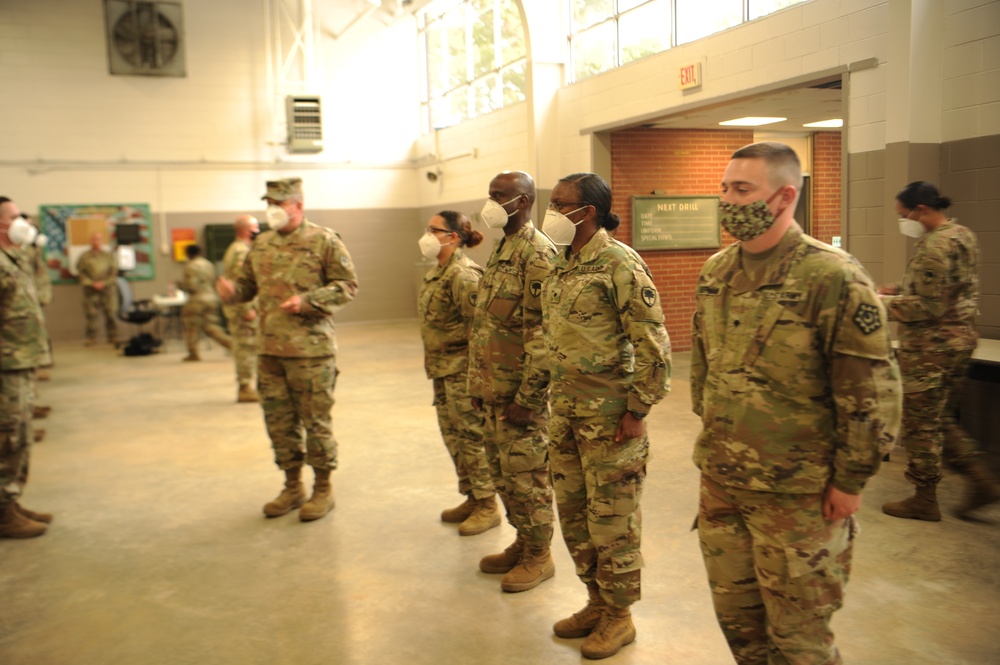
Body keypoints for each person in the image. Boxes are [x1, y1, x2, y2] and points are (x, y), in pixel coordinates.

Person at [690, 142, 902, 664]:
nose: (727, 200)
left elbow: (871, 394)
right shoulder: (717, 272)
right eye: (724, 188)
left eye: (742, 189)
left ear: (785, 196)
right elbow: (704, 367)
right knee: (741, 628)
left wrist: (850, 481)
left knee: (800, 641)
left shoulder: (832, 277)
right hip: (723, 486)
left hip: (798, 498)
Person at [541, 173, 671, 659]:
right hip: (566, 414)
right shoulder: (562, 263)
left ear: (587, 211)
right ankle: (595, 601)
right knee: (574, 516)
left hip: (611, 418)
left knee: (612, 521)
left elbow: (653, 344)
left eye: (559, 203)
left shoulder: (618, 262)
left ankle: (620, 616)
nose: (550, 211)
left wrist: (638, 409)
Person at [217, 177, 358, 523]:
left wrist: (309, 301)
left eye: (279, 203)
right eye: (270, 203)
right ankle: (292, 485)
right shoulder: (261, 244)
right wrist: (231, 293)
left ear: (298, 205)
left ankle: (323, 488)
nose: (272, 210)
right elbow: (247, 287)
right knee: (279, 423)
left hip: (310, 351)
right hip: (269, 350)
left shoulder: (323, 240)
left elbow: (347, 285)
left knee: (316, 422)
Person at [879, 181, 1000, 521]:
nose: (904, 222)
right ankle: (980, 481)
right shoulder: (963, 234)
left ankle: (924, 498)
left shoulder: (933, 245)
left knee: (921, 424)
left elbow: (927, 307)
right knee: (940, 419)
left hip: (932, 348)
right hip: (960, 342)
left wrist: (879, 305)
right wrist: (900, 288)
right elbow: (949, 285)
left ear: (920, 210)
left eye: (904, 215)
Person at [468, 170, 557, 592]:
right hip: (492, 392)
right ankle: (523, 541)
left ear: (522, 202)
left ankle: (540, 555)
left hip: (520, 397)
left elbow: (543, 334)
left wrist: (530, 396)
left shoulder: (538, 254)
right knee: (503, 475)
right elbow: (487, 327)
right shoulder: (504, 249)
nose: (490, 203)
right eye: (489, 194)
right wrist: (475, 387)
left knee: (528, 477)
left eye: (498, 195)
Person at [417, 211, 500, 536]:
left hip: (463, 373)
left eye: (433, 230)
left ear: (452, 236)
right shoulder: (438, 272)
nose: (426, 235)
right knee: (453, 437)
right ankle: (471, 495)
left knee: (471, 439)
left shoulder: (463, 275)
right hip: (441, 370)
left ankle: (488, 504)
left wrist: (480, 380)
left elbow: (482, 331)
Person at [0, 196, 54, 538]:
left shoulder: (12, 258)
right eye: (16, 216)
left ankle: (11, 500)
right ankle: (3, 512)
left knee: (19, 436)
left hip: (21, 359)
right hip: (6, 364)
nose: (23, 221)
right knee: (8, 438)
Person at [221, 215, 260, 401]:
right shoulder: (241, 251)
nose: (258, 231)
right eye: (255, 228)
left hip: (239, 308)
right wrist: (246, 309)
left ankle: (247, 386)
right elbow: (239, 282)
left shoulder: (237, 248)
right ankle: (245, 388)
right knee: (246, 348)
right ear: (246, 230)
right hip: (242, 309)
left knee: (247, 347)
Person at [179, 244, 232, 361]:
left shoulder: (190, 266)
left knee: (191, 327)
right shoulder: (208, 264)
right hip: (212, 297)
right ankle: (231, 345)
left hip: (197, 299)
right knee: (211, 326)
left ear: (188, 253)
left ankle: (193, 354)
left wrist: (181, 286)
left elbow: (191, 286)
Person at [76, 231, 118, 346]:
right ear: (91, 241)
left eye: (99, 239)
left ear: (102, 241)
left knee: (111, 314)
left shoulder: (108, 256)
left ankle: (112, 336)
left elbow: (113, 273)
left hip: (107, 290)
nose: (96, 242)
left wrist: (104, 283)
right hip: (91, 291)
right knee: (91, 315)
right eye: (94, 239)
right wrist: (91, 283)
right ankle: (91, 337)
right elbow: (81, 273)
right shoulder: (84, 257)